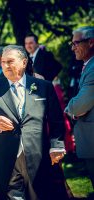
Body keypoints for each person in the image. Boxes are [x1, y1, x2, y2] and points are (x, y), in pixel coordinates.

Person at [0, 45, 66, 200]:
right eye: (3, 62)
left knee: (42, 194)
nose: (5, 65)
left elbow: (56, 120)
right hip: (6, 158)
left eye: (10, 61)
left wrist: (56, 145)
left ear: (24, 62)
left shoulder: (43, 87)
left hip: (39, 156)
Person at [65, 26, 94, 190]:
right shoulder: (87, 66)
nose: (72, 47)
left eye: (76, 43)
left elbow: (78, 106)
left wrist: (70, 110)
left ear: (91, 42)